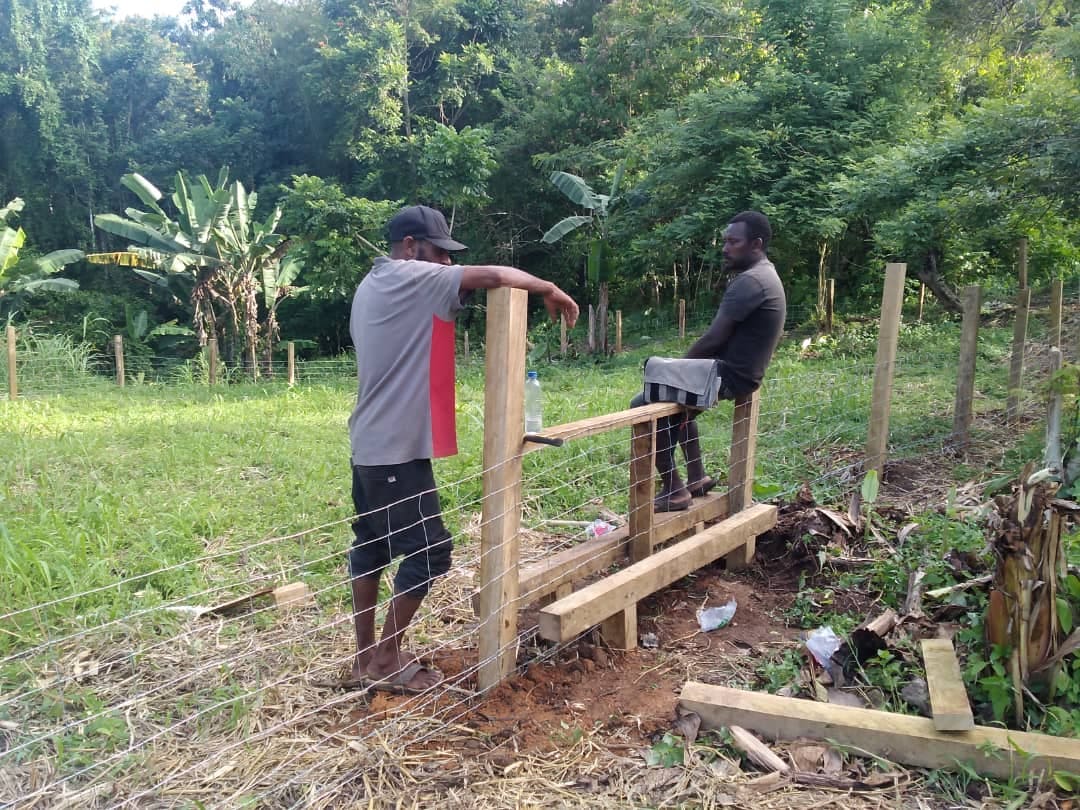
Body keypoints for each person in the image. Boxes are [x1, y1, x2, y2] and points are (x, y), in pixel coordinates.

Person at [346, 204, 579, 693]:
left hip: (371, 443)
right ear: (410, 247)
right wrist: (550, 289)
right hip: (395, 450)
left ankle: (366, 657)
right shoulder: (410, 276)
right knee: (430, 551)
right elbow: (495, 274)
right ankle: (386, 659)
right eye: (439, 254)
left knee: (371, 546)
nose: (447, 266)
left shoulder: (376, 283)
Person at [634, 210, 785, 512]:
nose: (725, 247)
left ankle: (673, 491)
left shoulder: (750, 282)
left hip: (730, 375)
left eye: (733, 242)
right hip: (741, 373)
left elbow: (714, 339)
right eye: (725, 241)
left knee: (643, 406)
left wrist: (673, 371)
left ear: (755, 244)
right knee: (678, 405)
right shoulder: (765, 274)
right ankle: (697, 477)